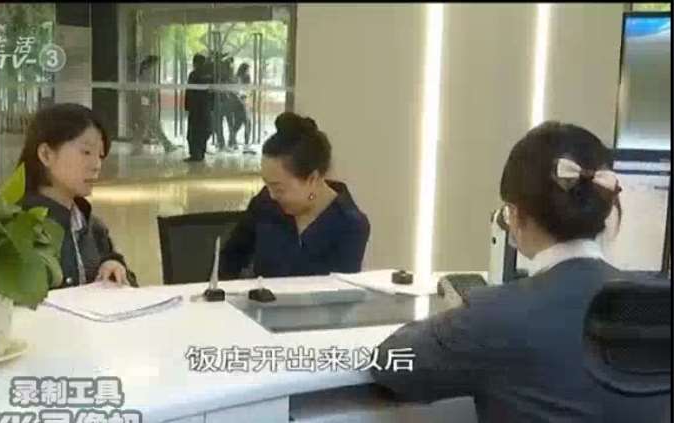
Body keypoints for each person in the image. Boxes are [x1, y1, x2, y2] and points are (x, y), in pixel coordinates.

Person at [371, 122, 670, 422]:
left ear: (515, 214)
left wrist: (455, 322)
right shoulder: (659, 306)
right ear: (604, 209)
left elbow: (390, 362)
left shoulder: (495, 315)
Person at [219, 112, 370, 279]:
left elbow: (339, 290)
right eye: (267, 184)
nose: (271, 194)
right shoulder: (265, 204)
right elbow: (228, 260)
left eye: (278, 188)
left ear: (312, 179)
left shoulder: (349, 225)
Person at [18, 103, 137, 288]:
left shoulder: (92, 226)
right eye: (86, 152)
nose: (96, 165)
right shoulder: (16, 226)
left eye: (100, 155)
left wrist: (114, 266)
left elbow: (128, 285)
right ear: (46, 155)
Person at [131, 55, 175, 156]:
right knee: (154, 125)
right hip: (148, 104)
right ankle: (167, 145)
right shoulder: (146, 74)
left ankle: (136, 148)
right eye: (156, 64)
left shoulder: (147, 73)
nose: (157, 66)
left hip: (149, 103)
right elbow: (145, 91)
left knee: (143, 126)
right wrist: (148, 104)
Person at [184, 54, 213, 162]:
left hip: (195, 108)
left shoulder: (193, 74)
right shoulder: (209, 75)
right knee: (204, 130)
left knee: (193, 132)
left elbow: (189, 91)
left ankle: (196, 154)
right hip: (205, 108)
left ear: (195, 63)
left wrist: (187, 106)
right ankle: (201, 152)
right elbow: (212, 92)